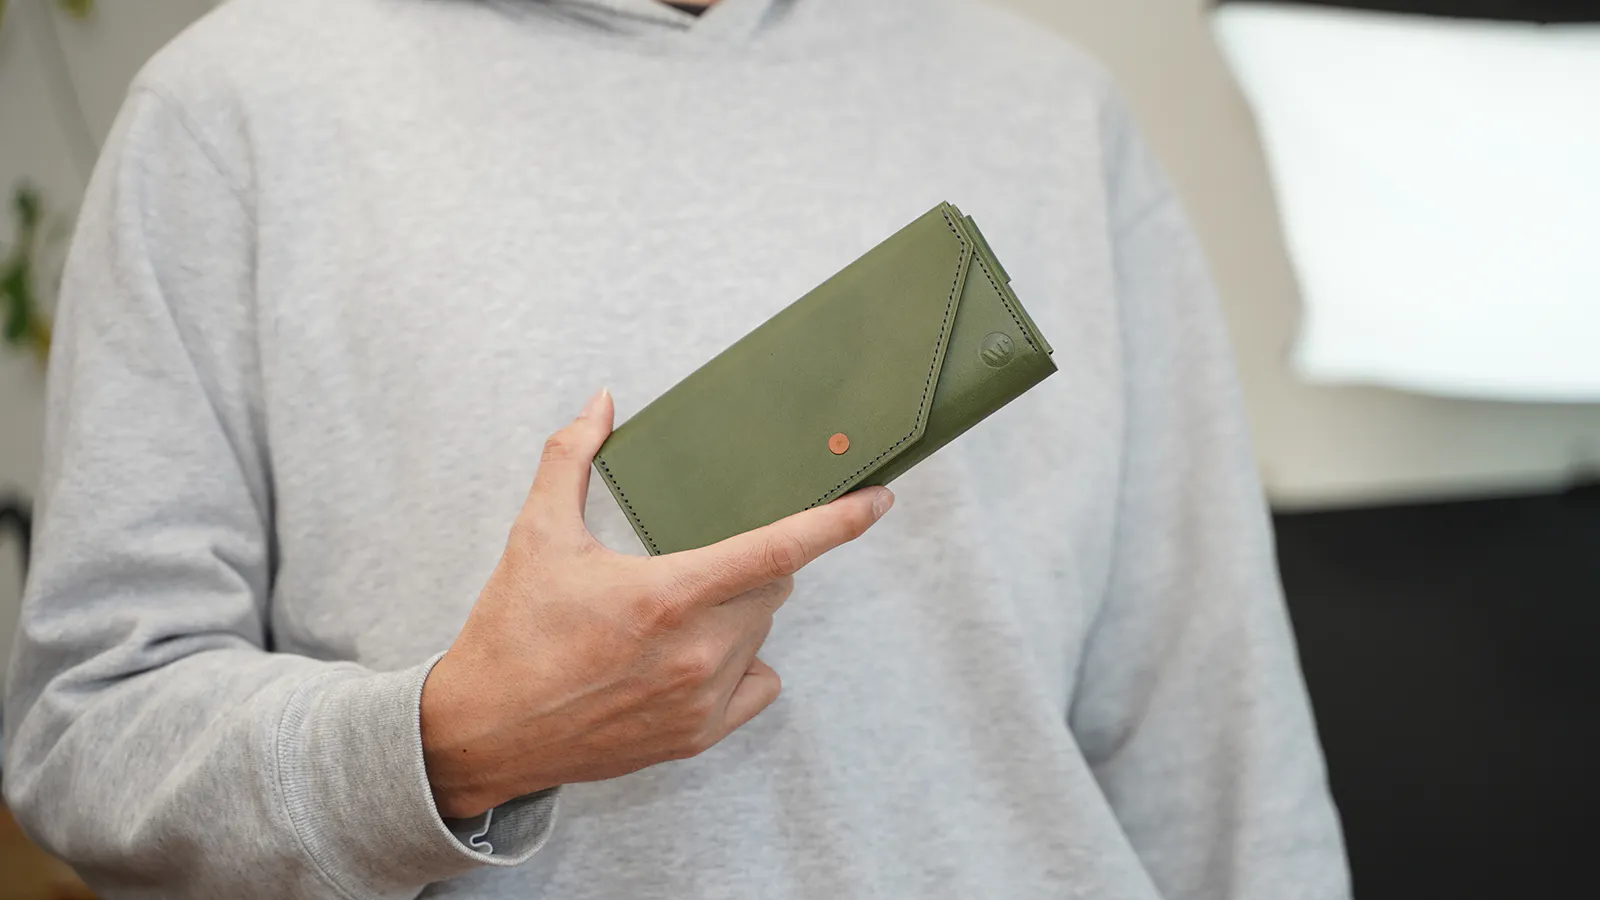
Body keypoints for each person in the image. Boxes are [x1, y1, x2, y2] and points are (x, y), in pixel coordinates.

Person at [2, 0, 1351, 897]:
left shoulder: (1054, 109)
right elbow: (86, 736)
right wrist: (455, 742)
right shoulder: (233, 110)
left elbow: (1213, 721)